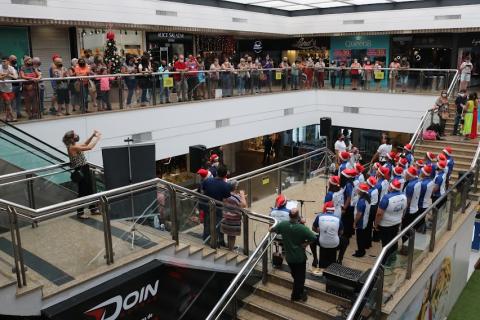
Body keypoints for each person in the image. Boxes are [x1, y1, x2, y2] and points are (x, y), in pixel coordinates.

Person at [270, 208, 316, 302]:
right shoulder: (302, 228)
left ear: (289, 216)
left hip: (289, 257)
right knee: (300, 277)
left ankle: (300, 290)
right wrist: (305, 244)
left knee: (295, 275)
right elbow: (314, 237)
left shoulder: (283, 225)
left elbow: (271, 229)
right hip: (299, 258)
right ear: (298, 217)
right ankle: (296, 296)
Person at [63, 130, 102, 219]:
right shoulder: (72, 147)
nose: (77, 135)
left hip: (84, 169)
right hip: (81, 170)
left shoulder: (74, 145)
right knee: (82, 192)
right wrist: (97, 139)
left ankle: (93, 209)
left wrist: (92, 136)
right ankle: (80, 213)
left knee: (90, 189)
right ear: (72, 139)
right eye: (75, 135)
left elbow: (85, 144)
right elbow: (89, 147)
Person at [374, 179, 407, 265]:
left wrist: (376, 224)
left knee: (386, 244)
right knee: (394, 241)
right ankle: (393, 258)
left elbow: (379, 214)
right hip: (396, 223)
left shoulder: (386, 198)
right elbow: (404, 210)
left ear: (391, 188)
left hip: (385, 225)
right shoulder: (404, 196)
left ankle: (384, 262)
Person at [201, 165, 231, 246]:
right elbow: (226, 200)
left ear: (216, 172)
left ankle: (206, 241)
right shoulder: (226, 186)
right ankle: (215, 243)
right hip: (218, 209)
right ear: (225, 175)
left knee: (207, 224)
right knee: (217, 226)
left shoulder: (207, 181)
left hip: (207, 206)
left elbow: (203, 193)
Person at [312, 201, 342, 271]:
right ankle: (340, 259)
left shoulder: (319, 217)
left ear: (325, 208)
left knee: (312, 238)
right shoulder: (338, 218)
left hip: (322, 243)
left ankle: (315, 258)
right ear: (333, 209)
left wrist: (320, 231)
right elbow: (341, 232)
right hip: (334, 244)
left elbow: (313, 228)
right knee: (345, 241)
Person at [221, 180, 247, 251]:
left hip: (226, 218)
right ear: (235, 187)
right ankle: (231, 250)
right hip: (234, 220)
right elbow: (244, 205)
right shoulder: (238, 197)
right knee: (232, 236)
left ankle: (229, 247)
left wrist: (240, 197)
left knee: (229, 234)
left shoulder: (225, 195)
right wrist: (242, 196)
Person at [401, 166, 421, 251]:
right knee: (411, 231)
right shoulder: (418, 182)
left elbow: (408, 201)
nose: (404, 174)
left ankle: (406, 249)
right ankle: (409, 247)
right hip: (415, 209)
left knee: (405, 231)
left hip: (409, 211)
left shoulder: (410, 185)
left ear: (409, 175)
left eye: (406, 173)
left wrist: (403, 213)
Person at [353, 183, 371, 257]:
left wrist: (354, 222)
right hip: (365, 220)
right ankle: (361, 250)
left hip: (361, 222)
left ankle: (360, 252)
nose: (357, 190)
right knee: (362, 237)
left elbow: (359, 214)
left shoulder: (361, 201)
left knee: (359, 238)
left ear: (361, 191)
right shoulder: (366, 199)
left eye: (358, 189)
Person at [0, 56, 18, 122]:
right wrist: (7, 74)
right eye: (2, 61)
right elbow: (0, 78)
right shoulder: (0, 67)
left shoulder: (11, 68)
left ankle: (7, 118)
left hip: (10, 89)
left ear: (8, 62)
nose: (3, 63)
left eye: (4, 61)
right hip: (2, 89)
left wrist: (8, 75)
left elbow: (16, 77)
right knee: (8, 103)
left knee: (8, 103)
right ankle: (13, 117)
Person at [418, 165, 435, 232]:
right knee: (422, 219)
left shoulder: (423, 184)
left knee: (420, 220)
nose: (420, 173)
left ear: (424, 174)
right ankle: (422, 229)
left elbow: (419, 194)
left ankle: (422, 230)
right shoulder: (430, 181)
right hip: (426, 202)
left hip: (421, 204)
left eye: (422, 172)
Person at [365, 176, 378, 248]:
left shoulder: (369, 191)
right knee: (369, 227)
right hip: (374, 207)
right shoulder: (375, 189)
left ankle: (366, 243)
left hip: (370, 208)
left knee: (367, 227)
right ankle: (368, 242)